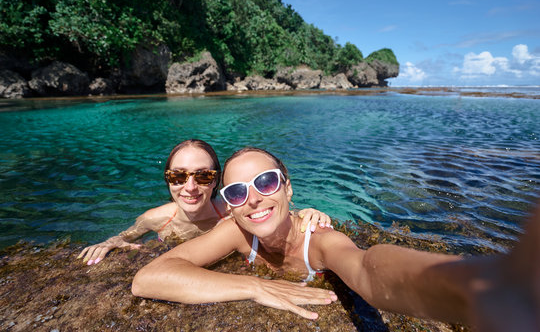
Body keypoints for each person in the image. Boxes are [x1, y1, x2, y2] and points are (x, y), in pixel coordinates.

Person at [132, 147, 540, 332]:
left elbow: (367, 270)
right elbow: (149, 278)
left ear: (288, 189)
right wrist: (256, 287)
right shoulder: (236, 231)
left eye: (266, 182)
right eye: (236, 191)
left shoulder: (320, 241)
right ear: (229, 204)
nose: (252, 197)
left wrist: (477, 285)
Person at [77, 140, 331, 265]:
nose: (189, 187)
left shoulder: (230, 213)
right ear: (168, 181)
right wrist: (109, 244)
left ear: (216, 183)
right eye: (177, 176)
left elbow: (271, 212)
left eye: (203, 176)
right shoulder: (155, 218)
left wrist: (308, 213)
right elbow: (124, 237)